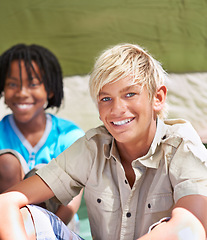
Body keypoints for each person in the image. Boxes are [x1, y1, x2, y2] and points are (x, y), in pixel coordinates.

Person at [0, 43, 207, 240]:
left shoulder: (181, 145)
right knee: (27, 217)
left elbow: (192, 227)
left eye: (130, 94)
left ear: (158, 98)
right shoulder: (94, 147)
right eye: (106, 99)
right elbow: (6, 201)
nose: (117, 109)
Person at [0, 44, 84, 226]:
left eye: (33, 84)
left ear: (50, 90)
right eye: (13, 84)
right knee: (6, 163)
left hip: (58, 226)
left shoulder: (69, 135)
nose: (22, 93)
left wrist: (47, 234)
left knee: (43, 173)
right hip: (7, 225)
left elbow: (73, 200)